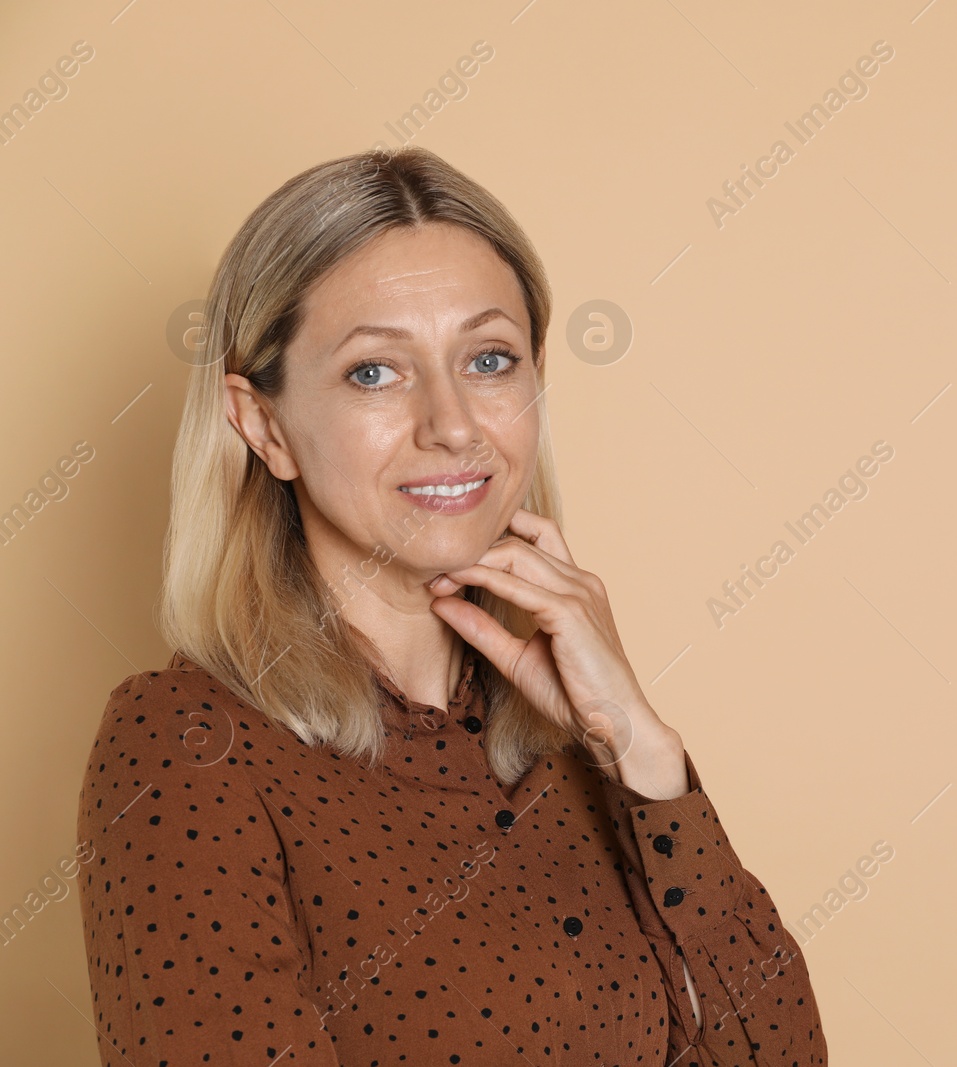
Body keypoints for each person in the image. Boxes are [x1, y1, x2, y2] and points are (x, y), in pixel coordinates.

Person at [74, 146, 827, 1065]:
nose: (454, 423)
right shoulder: (186, 745)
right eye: (374, 372)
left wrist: (640, 743)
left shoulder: (579, 743)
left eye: (489, 359)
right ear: (265, 425)